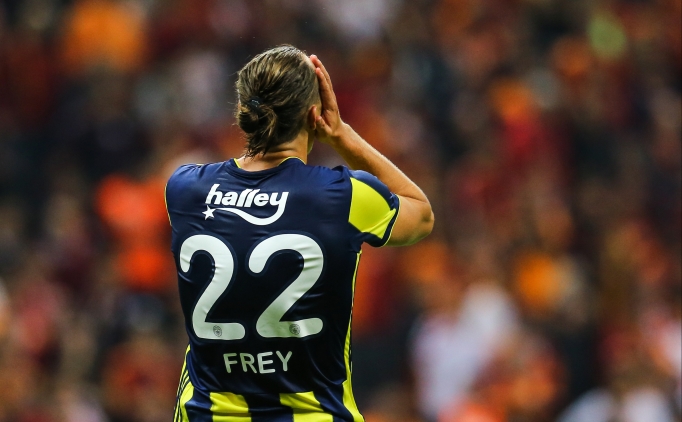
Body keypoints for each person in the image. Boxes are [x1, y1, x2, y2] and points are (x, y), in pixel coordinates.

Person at [165, 45, 434, 421]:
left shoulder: (185, 189)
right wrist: (342, 136)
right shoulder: (341, 196)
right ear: (314, 115)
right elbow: (421, 215)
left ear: (242, 111)